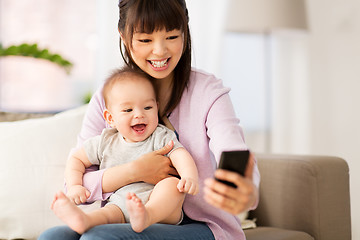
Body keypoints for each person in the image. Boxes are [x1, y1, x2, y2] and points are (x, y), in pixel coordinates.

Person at [39, 0, 260, 239]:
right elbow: (77, 181)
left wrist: (244, 190)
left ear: (185, 31)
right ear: (123, 36)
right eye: (145, 40)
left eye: (172, 37)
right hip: (128, 214)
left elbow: (233, 151)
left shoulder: (208, 92)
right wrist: (136, 171)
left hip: (204, 226)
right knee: (54, 236)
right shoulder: (110, 95)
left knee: (99, 238)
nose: (160, 51)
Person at [51, 67, 199, 234]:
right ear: (111, 118)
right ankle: (85, 221)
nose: (139, 114)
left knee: (172, 185)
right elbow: (76, 159)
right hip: (122, 203)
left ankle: (147, 215)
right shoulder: (106, 141)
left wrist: (189, 176)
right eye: (128, 110)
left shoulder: (160, 135)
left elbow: (180, 154)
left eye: (148, 108)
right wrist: (75, 186)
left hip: (161, 209)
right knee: (107, 213)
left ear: (156, 108)